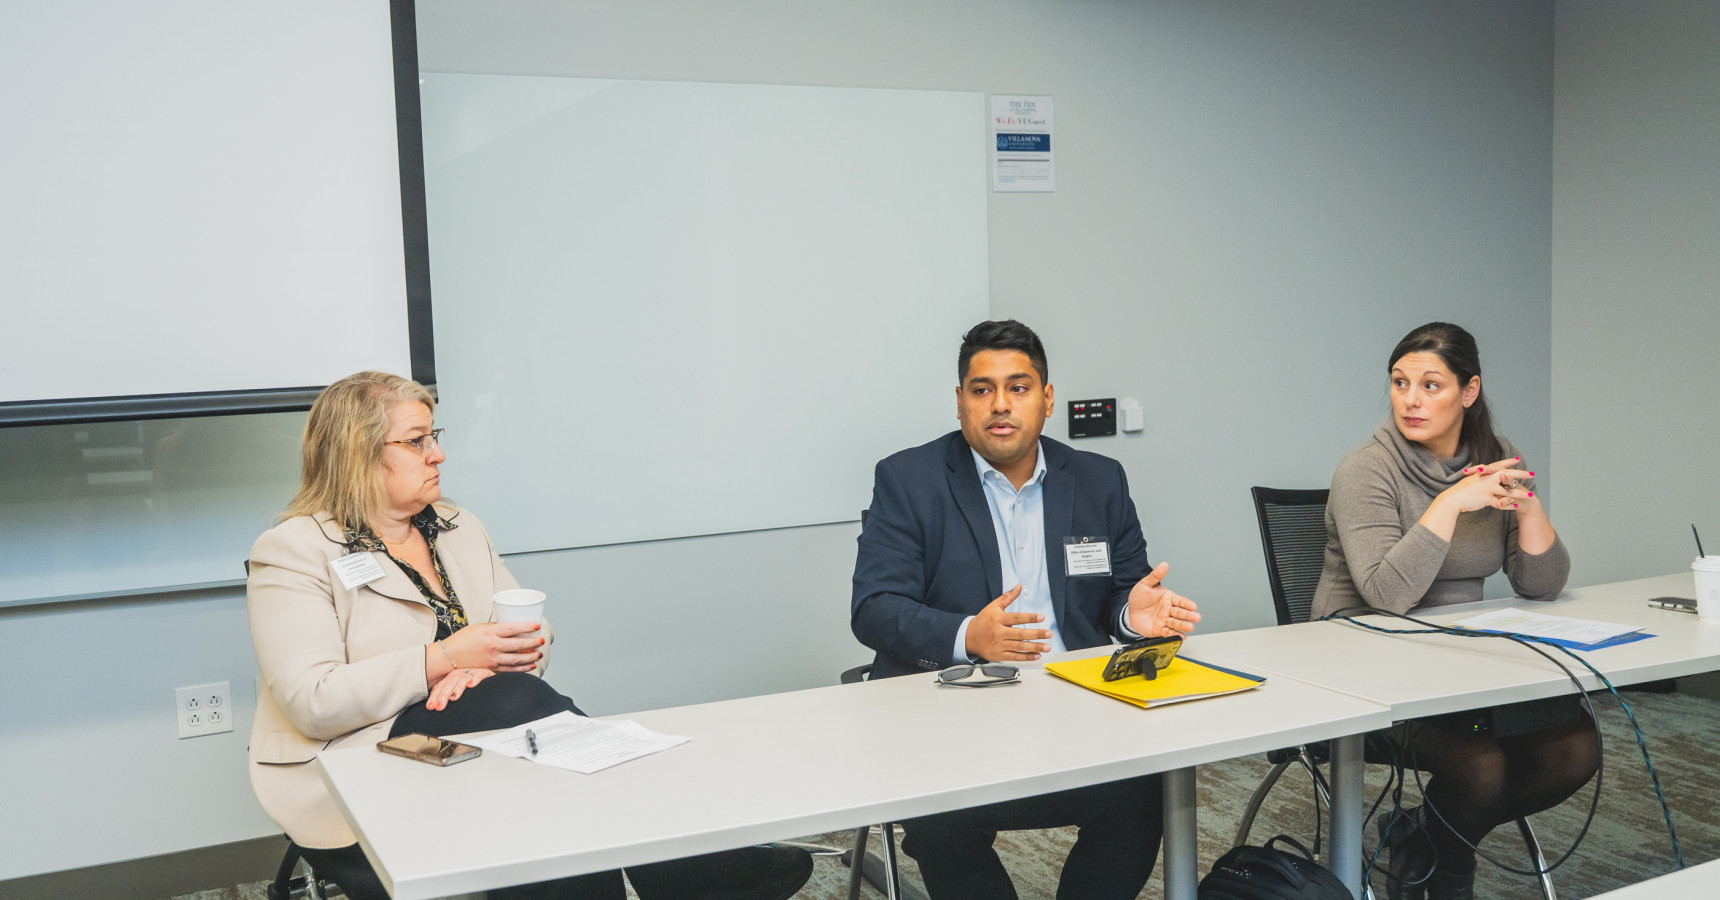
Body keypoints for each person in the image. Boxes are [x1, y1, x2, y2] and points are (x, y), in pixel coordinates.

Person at [246, 371, 812, 900]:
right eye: (417, 440)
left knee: (538, 784)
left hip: (487, 737)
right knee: (525, 732)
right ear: (359, 455)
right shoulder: (295, 551)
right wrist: (445, 658)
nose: (438, 453)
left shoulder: (458, 526)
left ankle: (675, 864)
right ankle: (683, 863)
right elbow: (312, 702)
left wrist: (484, 666)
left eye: (433, 435)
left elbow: (528, 632)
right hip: (360, 755)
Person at [850, 320, 1201, 900]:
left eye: (1018, 387)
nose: (1000, 405)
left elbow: (1121, 593)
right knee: (940, 820)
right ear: (960, 401)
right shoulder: (908, 480)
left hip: (1077, 708)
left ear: (1047, 398)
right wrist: (969, 634)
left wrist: (1129, 619)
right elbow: (874, 608)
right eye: (982, 389)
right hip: (952, 719)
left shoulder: (1098, 480)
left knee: (1146, 793)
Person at [1310, 322, 1597, 900]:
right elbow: (1386, 593)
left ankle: (1424, 833)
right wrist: (1450, 503)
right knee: (1480, 765)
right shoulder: (1365, 469)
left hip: (1459, 666)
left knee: (1575, 747)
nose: (1411, 400)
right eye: (1399, 383)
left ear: (1469, 392)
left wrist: (1527, 503)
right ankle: (1444, 872)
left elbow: (1540, 583)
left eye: (1431, 385)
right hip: (1358, 670)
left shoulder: (1495, 457)